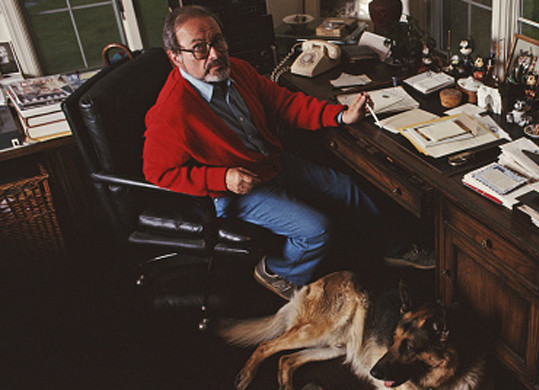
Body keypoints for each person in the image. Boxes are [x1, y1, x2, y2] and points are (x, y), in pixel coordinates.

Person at [143, 6, 432, 301]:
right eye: (200, 48)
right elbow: (157, 173)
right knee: (316, 231)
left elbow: (284, 103)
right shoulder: (171, 111)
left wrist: (341, 115)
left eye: (217, 41)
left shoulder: (237, 70)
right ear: (175, 57)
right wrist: (223, 178)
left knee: (347, 189)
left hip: (268, 162)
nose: (215, 54)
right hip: (236, 189)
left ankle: (394, 248)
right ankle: (278, 271)